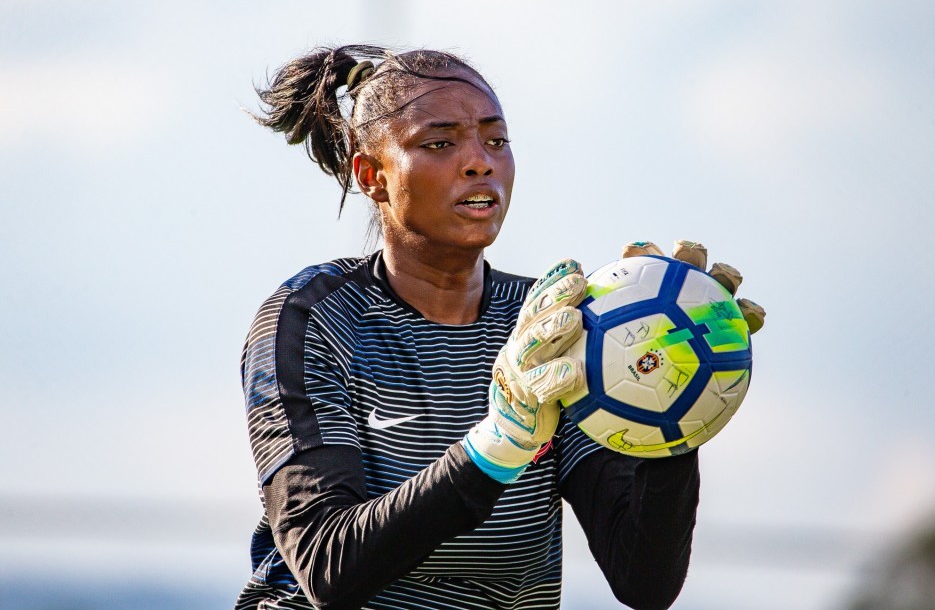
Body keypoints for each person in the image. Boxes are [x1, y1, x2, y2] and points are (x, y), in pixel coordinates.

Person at [235, 44, 764, 610]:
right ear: (372, 176)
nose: (479, 161)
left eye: (496, 140)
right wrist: (500, 444)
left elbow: (645, 581)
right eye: (439, 143)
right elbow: (328, 565)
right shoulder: (312, 318)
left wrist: (676, 410)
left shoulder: (559, 326)